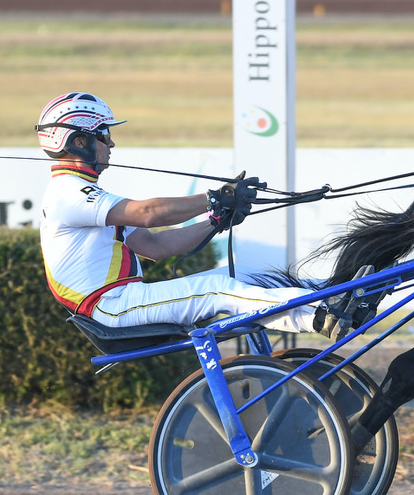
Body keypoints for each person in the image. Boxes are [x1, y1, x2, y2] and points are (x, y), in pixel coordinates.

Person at [35, 92, 340, 336]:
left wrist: (215, 221)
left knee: (240, 274)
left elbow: (157, 247)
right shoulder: (67, 192)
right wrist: (213, 197)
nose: (111, 142)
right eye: (103, 134)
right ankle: (321, 318)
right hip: (110, 306)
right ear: (78, 141)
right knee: (215, 290)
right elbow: (148, 213)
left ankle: (329, 291)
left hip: (125, 299)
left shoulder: (84, 195)